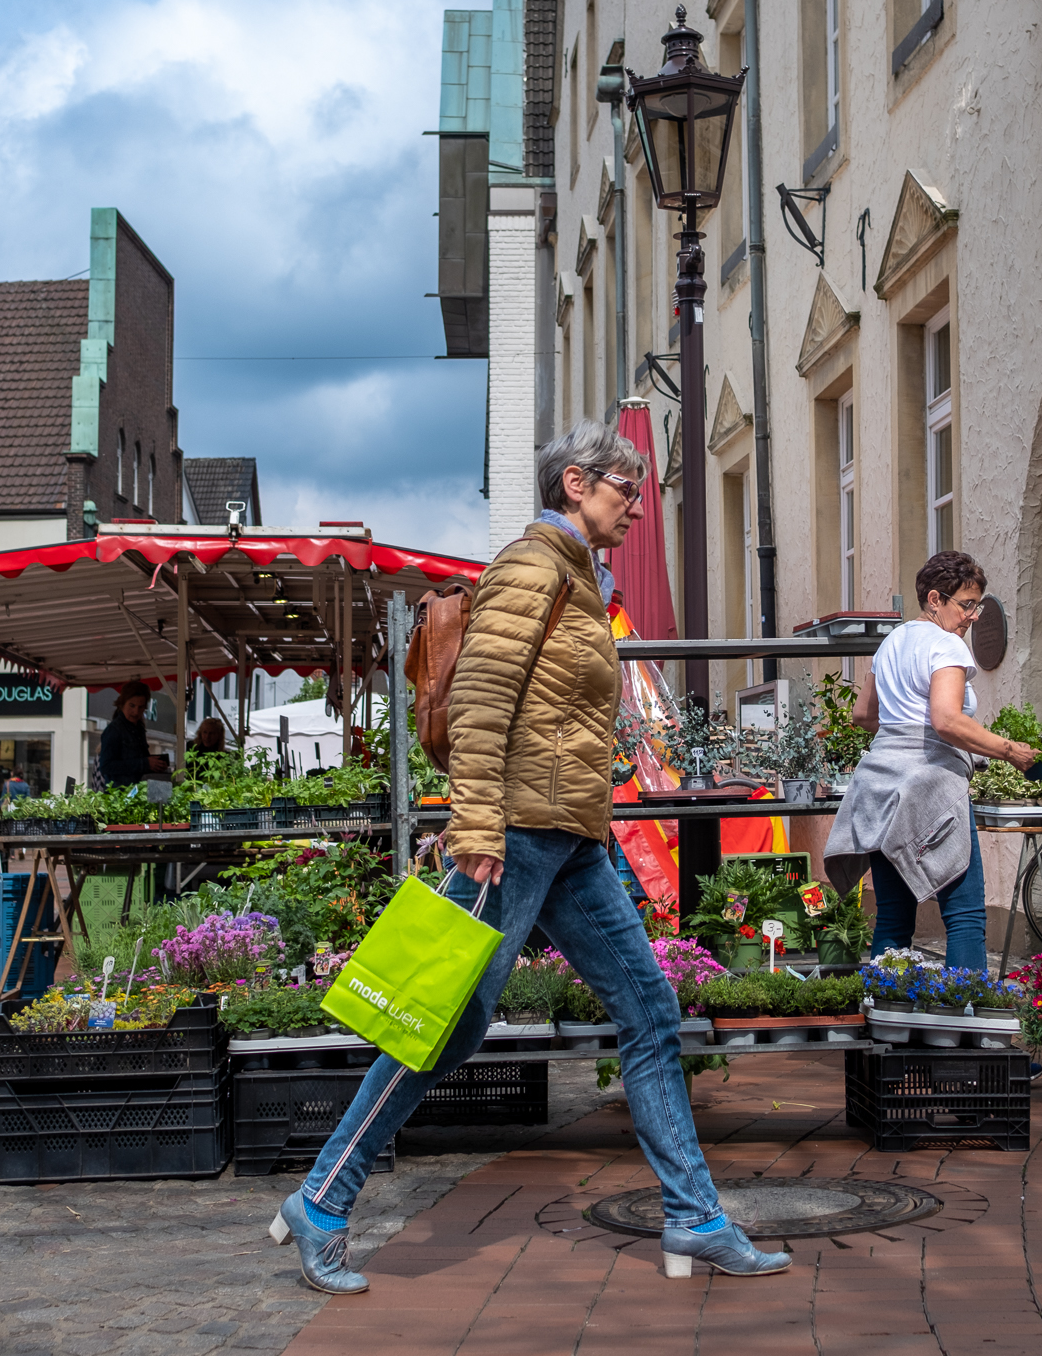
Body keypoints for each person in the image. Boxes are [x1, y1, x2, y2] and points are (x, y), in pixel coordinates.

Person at [272, 419, 788, 1292]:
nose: (636, 506)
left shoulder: (579, 580)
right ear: (576, 483)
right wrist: (475, 827)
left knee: (652, 1012)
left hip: (569, 839)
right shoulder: (530, 567)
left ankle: (696, 1219)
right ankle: (321, 1200)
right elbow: (480, 700)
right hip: (511, 837)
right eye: (626, 489)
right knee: (443, 1021)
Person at [823, 551, 1037, 970]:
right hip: (930, 789)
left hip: (881, 788)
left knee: (893, 916)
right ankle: (968, 1009)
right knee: (965, 914)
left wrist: (903, 728)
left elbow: (863, 715)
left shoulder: (892, 643)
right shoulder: (946, 645)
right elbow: (947, 720)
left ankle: (885, 1004)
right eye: (967, 604)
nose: (973, 616)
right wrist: (1010, 750)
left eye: (977, 605)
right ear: (935, 599)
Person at [98, 681, 169, 788]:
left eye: (141, 707)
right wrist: (145, 763)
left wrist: (154, 764)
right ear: (122, 703)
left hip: (136, 791)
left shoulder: (138, 728)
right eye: (132, 706)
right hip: (121, 794)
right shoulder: (114, 730)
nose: (136, 712)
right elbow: (106, 766)